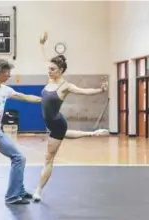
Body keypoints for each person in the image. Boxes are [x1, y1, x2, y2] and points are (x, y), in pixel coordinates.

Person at [32, 32, 109, 202]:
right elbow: (45, 59)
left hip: (57, 124)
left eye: (52, 69)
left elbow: (84, 91)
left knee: (48, 159)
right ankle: (92, 134)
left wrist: (100, 90)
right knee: (65, 134)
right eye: (49, 69)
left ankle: (38, 190)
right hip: (55, 123)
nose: (49, 71)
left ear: (61, 71)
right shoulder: (50, 79)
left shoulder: (66, 86)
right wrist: (41, 44)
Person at [0, 58, 42, 205]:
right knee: (19, 158)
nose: (9, 75)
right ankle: (12, 196)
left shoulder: (5, 89)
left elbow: (24, 97)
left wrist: (43, 99)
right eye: (7, 72)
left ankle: (19, 191)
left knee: (18, 158)